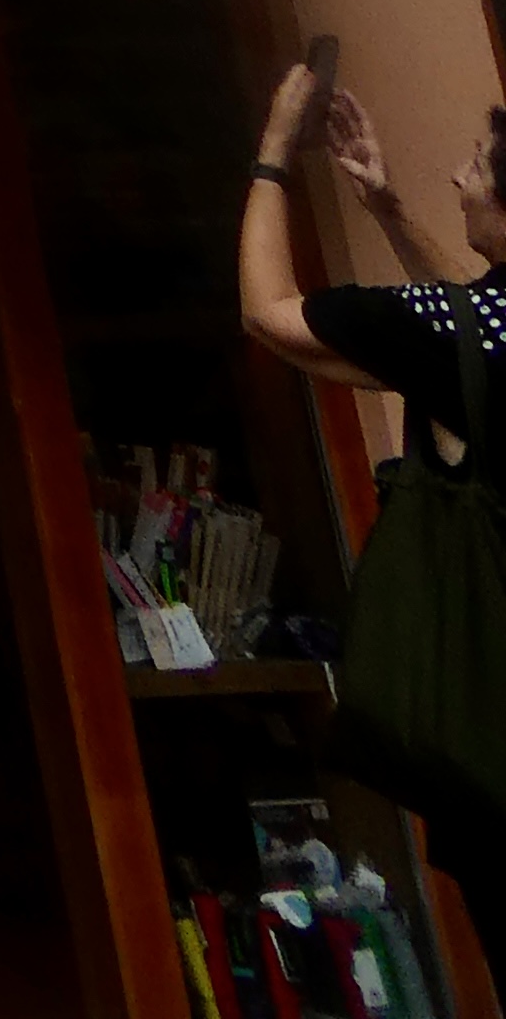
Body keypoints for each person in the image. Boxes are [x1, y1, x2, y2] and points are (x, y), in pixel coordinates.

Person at [237, 58, 506, 939]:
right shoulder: (485, 333)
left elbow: (269, 311)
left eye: (479, 163)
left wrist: (275, 150)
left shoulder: (459, 336)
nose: (459, 176)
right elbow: (467, 337)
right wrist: (386, 209)